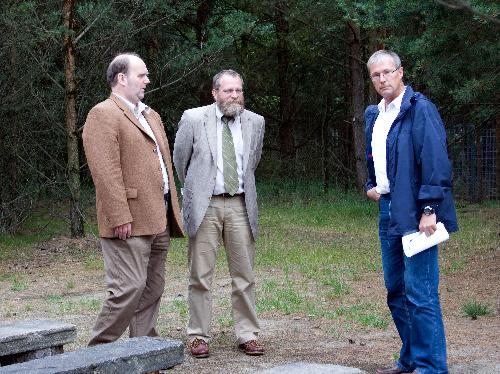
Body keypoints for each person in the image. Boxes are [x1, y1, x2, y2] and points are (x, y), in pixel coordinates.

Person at [364, 50, 458, 374]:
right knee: (396, 291)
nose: (382, 79)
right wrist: (370, 184)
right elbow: (374, 156)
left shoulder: (420, 109)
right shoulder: (375, 114)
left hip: (417, 212)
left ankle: (431, 367)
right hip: (387, 209)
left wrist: (430, 208)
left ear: (400, 72)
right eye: (376, 75)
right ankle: (411, 360)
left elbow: (435, 160)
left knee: (420, 293)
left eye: (387, 72)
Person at [82, 52, 184, 346]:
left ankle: (143, 350)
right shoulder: (102, 113)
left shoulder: (150, 114)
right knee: (128, 287)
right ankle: (98, 354)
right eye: (142, 75)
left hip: (159, 216)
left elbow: (162, 163)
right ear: (121, 78)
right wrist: (119, 216)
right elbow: (105, 171)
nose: (147, 80)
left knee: (153, 287)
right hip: (129, 220)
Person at [173, 69, 265, 358]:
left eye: (238, 90)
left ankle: (247, 334)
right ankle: (198, 336)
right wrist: (197, 191)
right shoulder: (193, 118)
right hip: (205, 206)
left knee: (245, 275)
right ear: (214, 93)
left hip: (240, 205)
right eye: (228, 91)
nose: (234, 96)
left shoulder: (255, 122)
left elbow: (253, 162)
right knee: (200, 276)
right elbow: (180, 161)